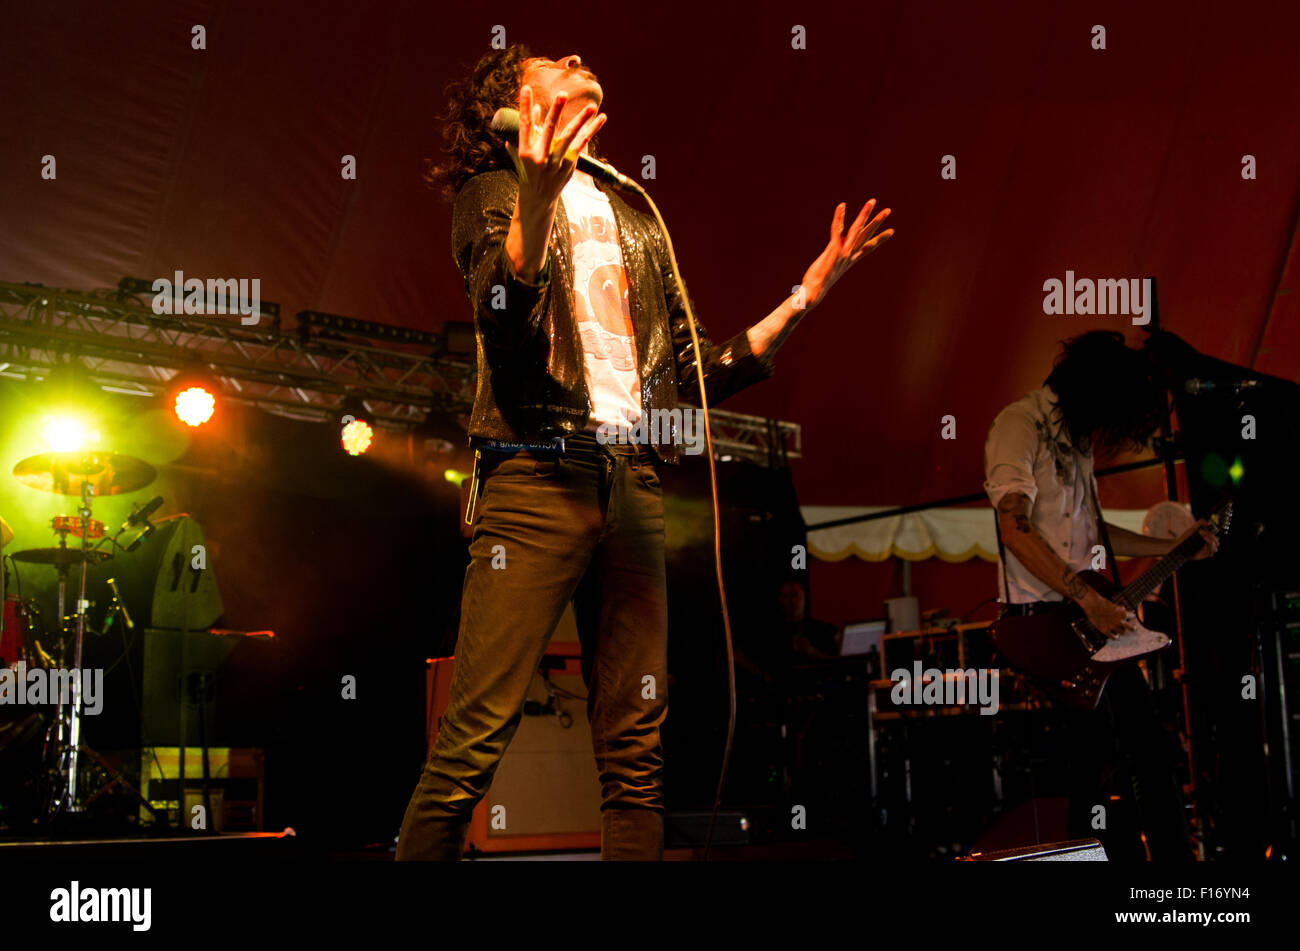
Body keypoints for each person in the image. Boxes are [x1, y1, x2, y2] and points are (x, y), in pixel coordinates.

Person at [396, 46, 894, 860]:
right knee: (472, 738)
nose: (579, 57)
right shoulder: (488, 193)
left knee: (636, 751)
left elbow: (694, 370)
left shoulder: (632, 211)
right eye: (553, 59)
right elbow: (503, 319)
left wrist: (808, 295)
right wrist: (534, 194)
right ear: (515, 98)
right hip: (535, 472)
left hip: (631, 482)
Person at [983, 330, 1218, 861]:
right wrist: (1084, 598)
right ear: (1093, 391)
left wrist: (1173, 546)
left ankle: (1177, 878)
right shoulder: (1020, 424)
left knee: (1149, 753)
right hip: (1047, 623)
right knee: (1094, 759)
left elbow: (1097, 535)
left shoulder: (1077, 438)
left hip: (1089, 618)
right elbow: (1015, 528)